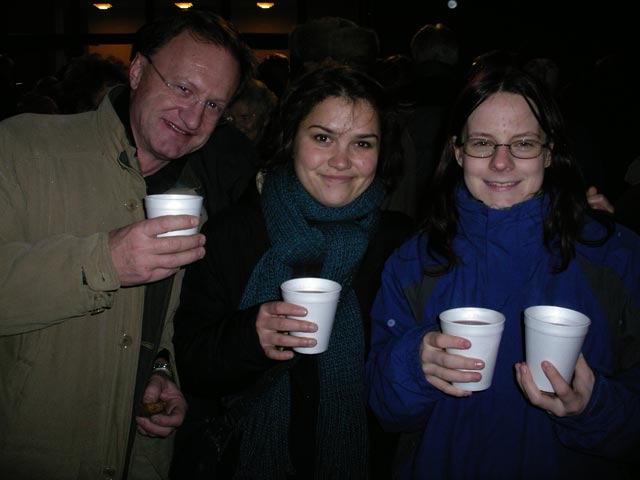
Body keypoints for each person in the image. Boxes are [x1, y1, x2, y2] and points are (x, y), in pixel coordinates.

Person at [0, 8, 254, 480]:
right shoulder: (22, 147)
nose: (195, 116)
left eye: (214, 105)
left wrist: (159, 373)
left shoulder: (197, 198)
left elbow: (161, 327)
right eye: (183, 88)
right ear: (137, 71)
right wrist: (104, 262)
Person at [365, 63, 640, 479]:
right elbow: (385, 412)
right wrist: (412, 365)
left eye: (524, 143)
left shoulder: (615, 256)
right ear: (457, 151)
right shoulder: (413, 261)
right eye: (482, 143)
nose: (501, 163)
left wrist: (592, 407)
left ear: (550, 151)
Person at [170, 61, 414, 479]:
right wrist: (250, 336)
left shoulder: (402, 246)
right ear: (291, 138)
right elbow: (191, 366)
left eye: (362, 143)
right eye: (323, 138)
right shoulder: (234, 234)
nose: (341, 161)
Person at [224, 77, 277, 144]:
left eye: (245, 118)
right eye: (230, 118)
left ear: (264, 118)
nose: (236, 126)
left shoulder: (274, 148)